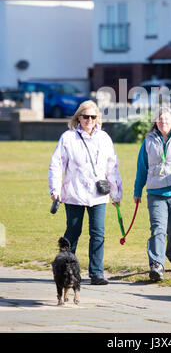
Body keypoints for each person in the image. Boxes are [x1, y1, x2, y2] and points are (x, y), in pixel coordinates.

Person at [48, 100, 122, 285]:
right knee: (73, 232)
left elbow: (112, 167)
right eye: (85, 116)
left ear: (97, 118)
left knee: (98, 233)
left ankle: (96, 273)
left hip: (98, 195)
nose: (89, 120)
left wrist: (116, 193)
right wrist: (55, 190)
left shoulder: (104, 138)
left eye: (93, 117)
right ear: (78, 117)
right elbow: (56, 165)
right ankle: (65, 270)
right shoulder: (68, 138)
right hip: (75, 192)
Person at [133, 107, 171, 281]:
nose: (163, 122)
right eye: (160, 119)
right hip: (155, 193)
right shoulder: (148, 141)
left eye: (167, 119)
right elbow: (141, 169)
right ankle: (157, 264)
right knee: (158, 229)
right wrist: (137, 191)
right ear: (155, 122)